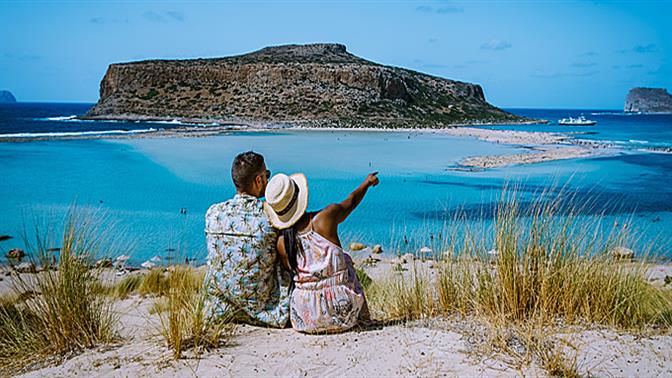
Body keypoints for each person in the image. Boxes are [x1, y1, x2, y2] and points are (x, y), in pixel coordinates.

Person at [264, 171, 378, 333]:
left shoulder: (282, 243)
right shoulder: (325, 218)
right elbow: (351, 201)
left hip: (304, 317)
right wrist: (367, 183)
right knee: (345, 259)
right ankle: (363, 318)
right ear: (299, 197)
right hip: (343, 312)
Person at [203, 151, 291, 327]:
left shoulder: (213, 213)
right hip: (265, 312)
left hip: (218, 310)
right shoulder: (270, 217)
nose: (267, 180)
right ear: (258, 181)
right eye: (267, 176)